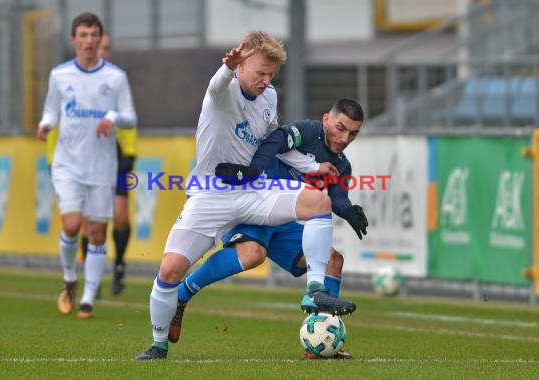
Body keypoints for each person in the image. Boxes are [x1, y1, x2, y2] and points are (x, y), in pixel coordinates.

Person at [135, 32, 365, 360]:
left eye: (271, 74)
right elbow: (216, 87)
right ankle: (158, 345)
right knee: (170, 270)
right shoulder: (223, 89)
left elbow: (276, 144)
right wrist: (226, 69)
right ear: (241, 66)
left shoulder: (269, 96)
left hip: (254, 189)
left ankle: (314, 292)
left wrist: (315, 167)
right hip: (211, 193)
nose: (266, 80)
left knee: (319, 202)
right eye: (260, 72)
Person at [168, 98, 367, 360]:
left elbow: (338, 197)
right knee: (252, 255)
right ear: (326, 119)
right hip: (254, 203)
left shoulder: (342, 165)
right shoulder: (309, 132)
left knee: (333, 261)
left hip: (282, 223)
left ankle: (322, 340)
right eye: (340, 128)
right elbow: (275, 139)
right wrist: (254, 170)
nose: (344, 138)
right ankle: (181, 295)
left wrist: (349, 211)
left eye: (353, 133)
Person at [37, 12, 137, 319]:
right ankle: (70, 279)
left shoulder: (116, 77)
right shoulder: (60, 75)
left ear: (100, 39)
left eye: (94, 35)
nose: (89, 41)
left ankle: (88, 298)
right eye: (83, 35)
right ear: (74, 39)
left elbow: (130, 117)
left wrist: (112, 117)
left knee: (96, 232)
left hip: (102, 166)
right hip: (68, 163)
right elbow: (51, 111)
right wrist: (45, 124)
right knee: (71, 225)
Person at [98, 33, 138, 295]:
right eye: (99, 46)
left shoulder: (117, 82)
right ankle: (92, 276)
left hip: (119, 159)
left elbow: (130, 120)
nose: (102, 51)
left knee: (120, 215)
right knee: (93, 220)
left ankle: (119, 266)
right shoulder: (75, 82)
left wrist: (128, 157)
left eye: (106, 48)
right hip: (89, 161)